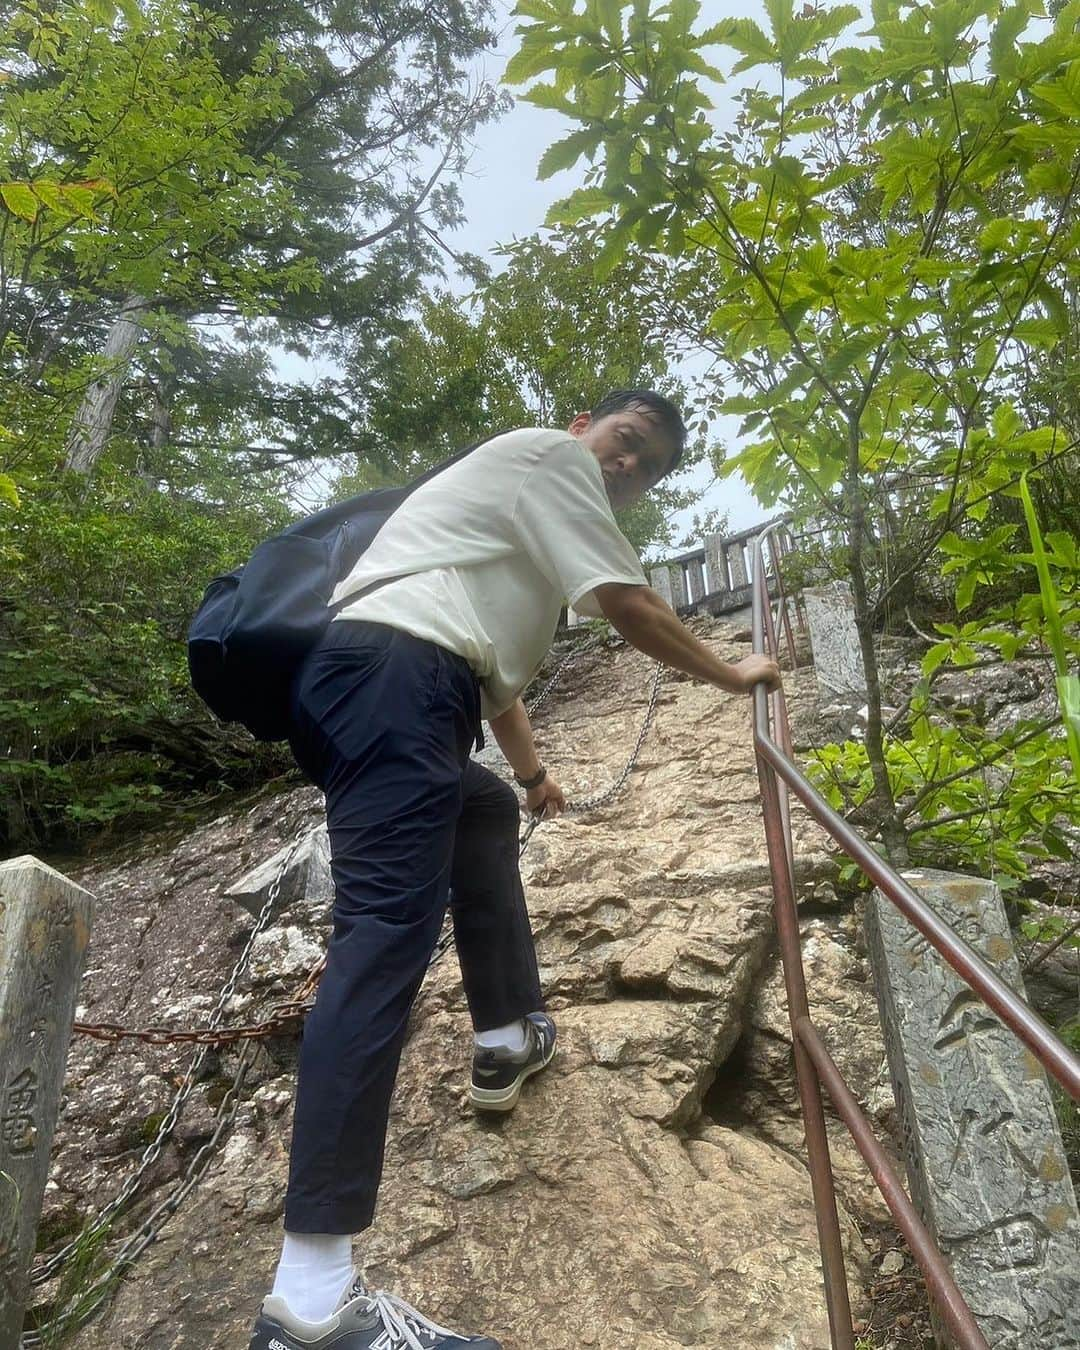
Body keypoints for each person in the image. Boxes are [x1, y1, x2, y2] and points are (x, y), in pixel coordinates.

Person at [248, 390, 781, 1350]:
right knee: (380, 943)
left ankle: (504, 1036)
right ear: (586, 425)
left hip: (388, 683)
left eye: (650, 466)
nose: (630, 467)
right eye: (628, 441)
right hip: (395, 679)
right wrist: (731, 673)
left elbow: (489, 682)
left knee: (482, 806)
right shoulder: (549, 457)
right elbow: (627, 604)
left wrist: (533, 778)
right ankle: (309, 1303)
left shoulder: (516, 536)